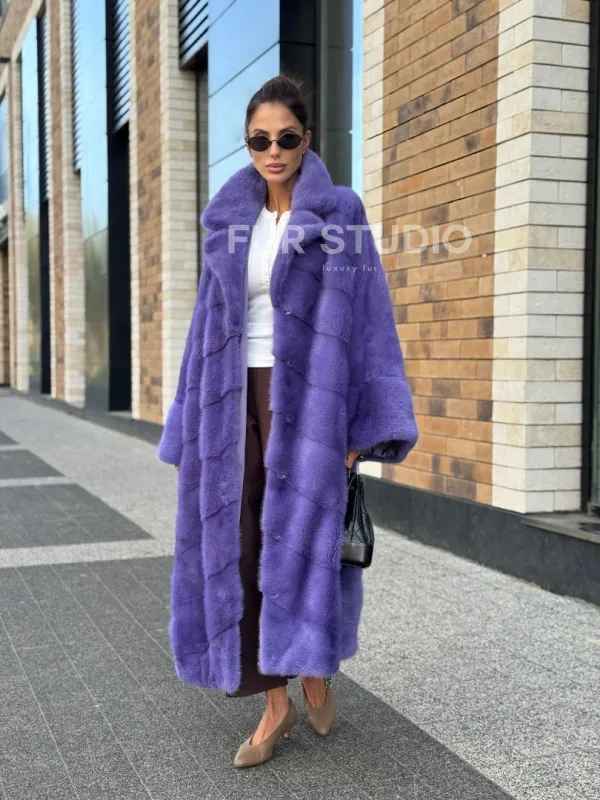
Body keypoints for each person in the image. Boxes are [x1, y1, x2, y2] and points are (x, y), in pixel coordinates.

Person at [157, 75, 418, 769]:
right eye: (259, 140)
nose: (273, 151)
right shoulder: (229, 219)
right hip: (228, 398)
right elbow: (203, 327)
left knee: (305, 540)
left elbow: (371, 321)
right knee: (239, 544)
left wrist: (360, 433)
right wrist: (185, 423)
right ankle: (275, 704)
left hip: (308, 402)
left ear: (307, 140)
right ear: (248, 144)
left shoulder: (340, 212)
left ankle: (313, 668)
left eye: (286, 138)